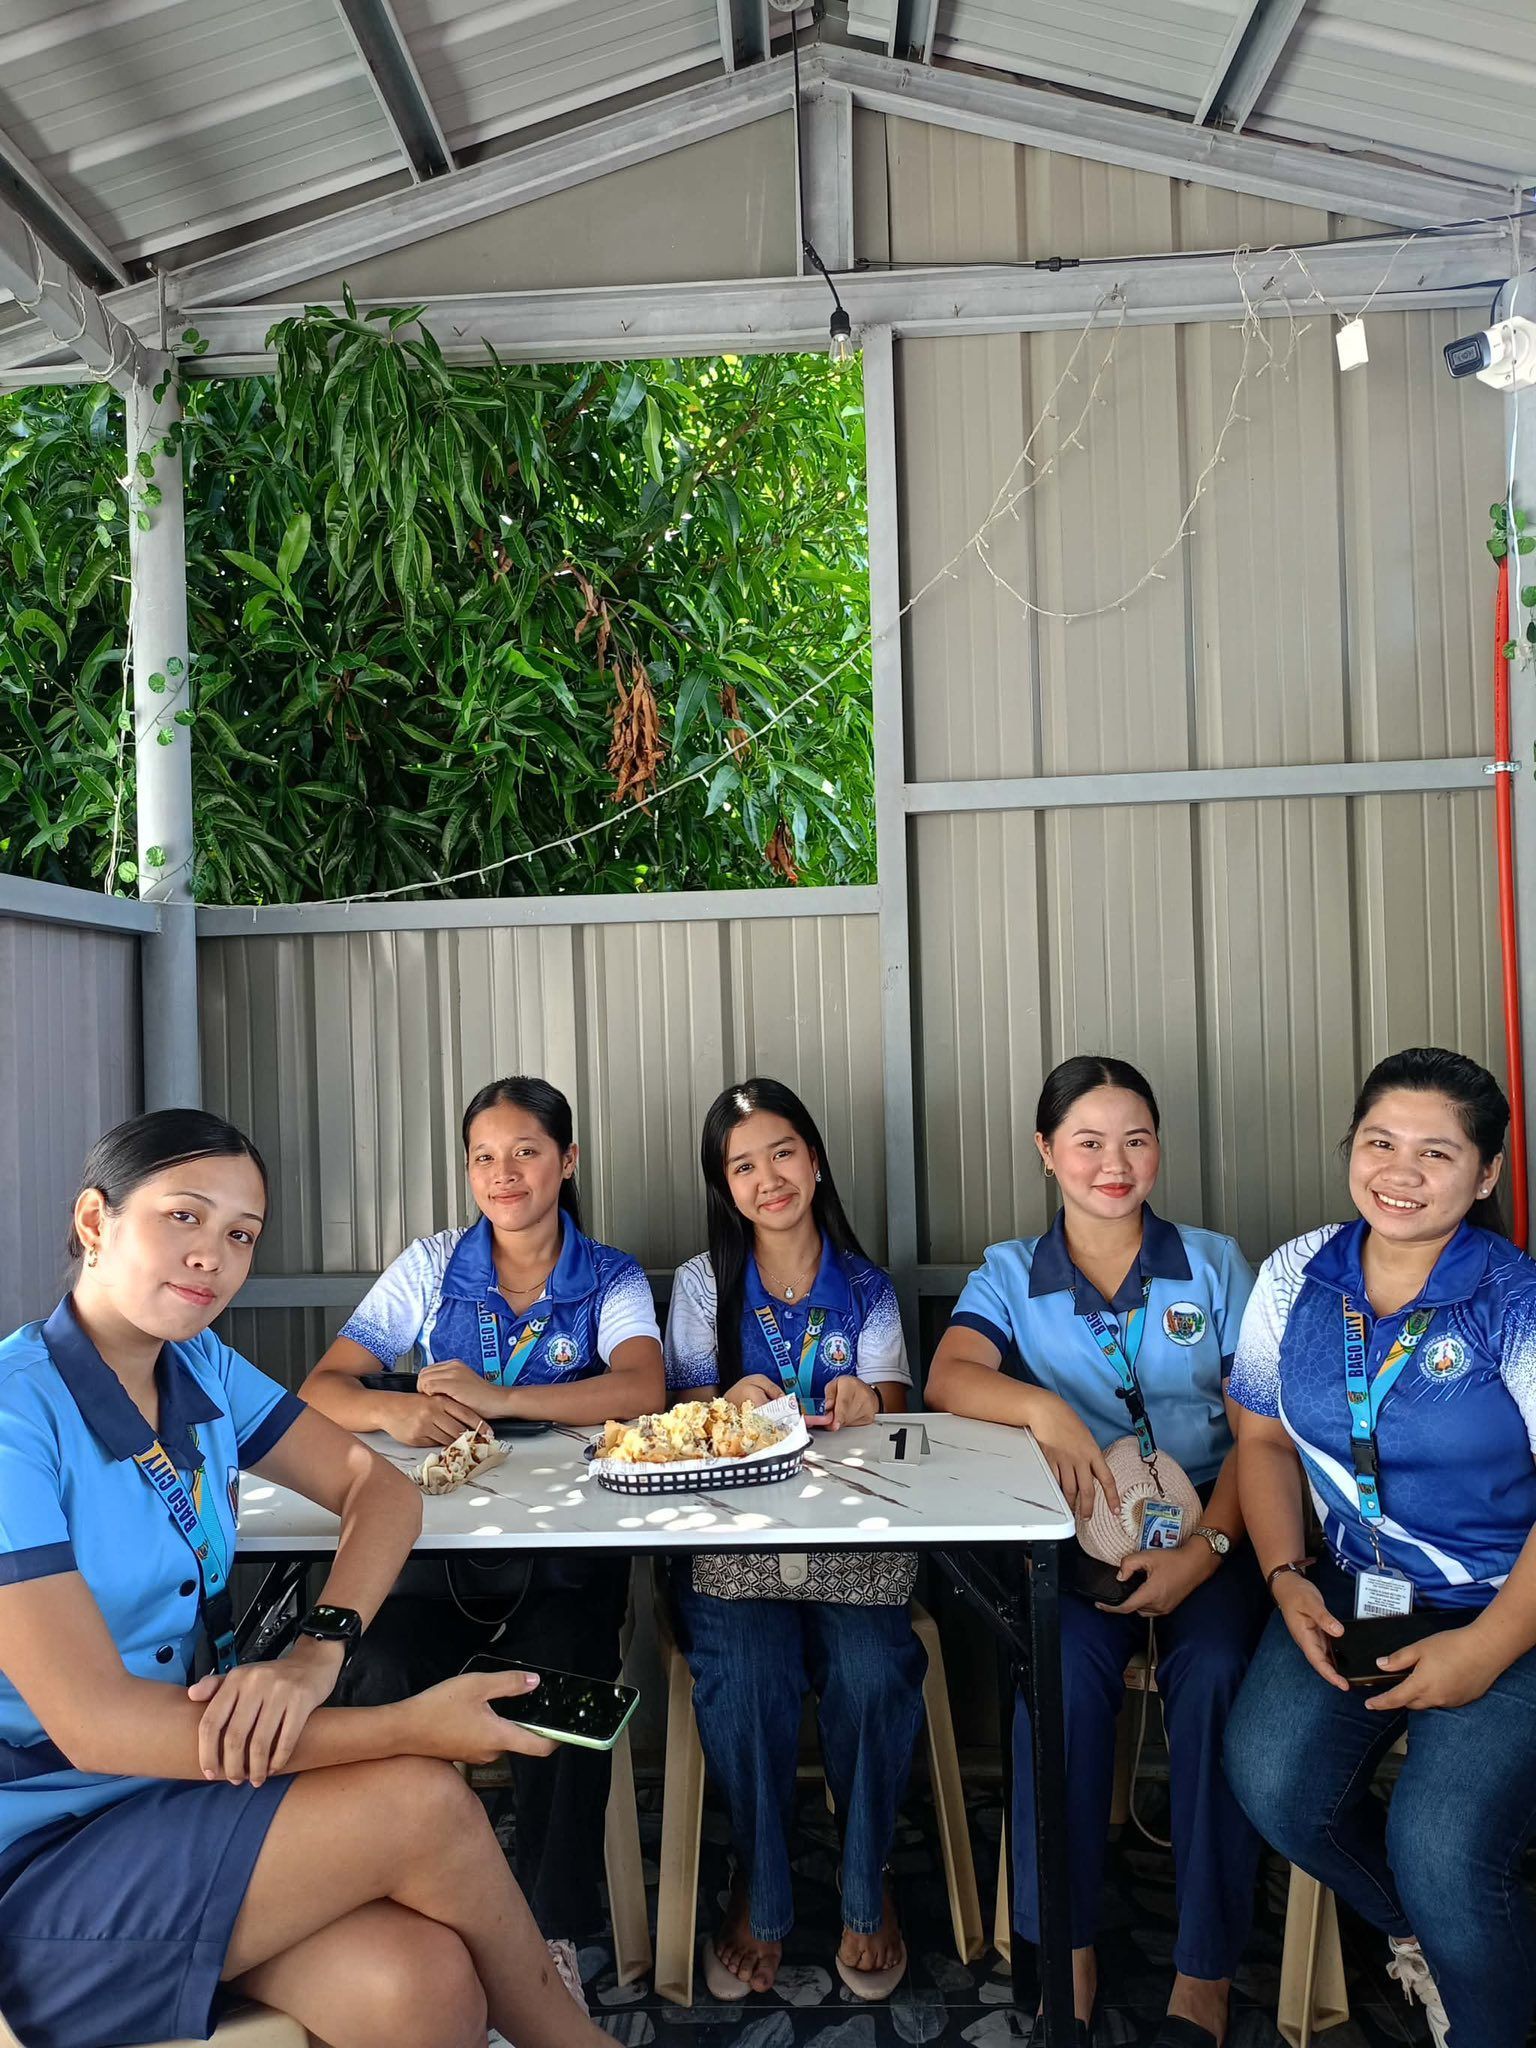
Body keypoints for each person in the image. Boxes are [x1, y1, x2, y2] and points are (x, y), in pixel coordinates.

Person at [0, 1107, 607, 2048]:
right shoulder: (14, 1418)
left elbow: (378, 1491)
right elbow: (96, 1725)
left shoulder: (194, 1365)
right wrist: (407, 1726)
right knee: (420, 1796)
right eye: (185, 1217)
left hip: (183, 1803)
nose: (214, 1256)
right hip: (44, 1852)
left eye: (241, 1235)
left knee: (422, 1985)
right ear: (94, 1221)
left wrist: (321, 1652)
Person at [926, 1055, 1265, 2048]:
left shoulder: (1211, 1263)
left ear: (1159, 1146)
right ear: (1045, 1151)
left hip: (1212, 1531)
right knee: (1065, 1682)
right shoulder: (1009, 1273)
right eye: (1087, 1139)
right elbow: (950, 1373)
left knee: (1215, 1674)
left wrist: (1203, 1551)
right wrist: (1039, 1407)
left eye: (1135, 1137)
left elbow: (1260, 1433)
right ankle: (1065, 1957)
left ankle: (1202, 1972)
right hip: (1079, 1540)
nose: (1113, 1162)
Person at [300, 1074, 664, 1949]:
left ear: (567, 1162)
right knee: (376, 1670)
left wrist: (497, 1398)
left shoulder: (609, 1276)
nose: (505, 1175)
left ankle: (555, 1940)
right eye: (484, 1158)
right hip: (433, 1573)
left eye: (527, 1153)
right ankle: (403, 1920)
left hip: (563, 1575)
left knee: (574, 1685)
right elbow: (322, 1387)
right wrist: (393, 1408)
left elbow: (643, 1388)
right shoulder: (430, 1266)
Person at [1223, 1047, 1536, 2048]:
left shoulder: (1513, 1301)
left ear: (1485, 1172)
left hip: (1509, 1603)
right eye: (1380, 1142)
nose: (1400, 1170)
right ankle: (1420, 1939)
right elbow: (1261, 1436)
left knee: (1440, 1840)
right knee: (1272, 1780)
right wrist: (1282, 1575)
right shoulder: (1295, 1275)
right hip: (1358, 1588)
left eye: (1436, 1152)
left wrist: (1481, 1651)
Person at [664, 1076, 925, 2002]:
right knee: (748, 1677)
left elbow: (896, 1397)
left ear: (814, 1161)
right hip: (734, 1543)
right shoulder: (703, 1285)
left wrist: (869, 1399)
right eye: (742, 1165)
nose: (767, 1178)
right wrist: (722, 1398)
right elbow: (685, 1403)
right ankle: (760, 1890)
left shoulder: (867, 1285)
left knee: (871, 1671)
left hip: (854, 1535)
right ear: (723, 1185)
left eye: (782, 1153)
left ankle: (867, 1886)